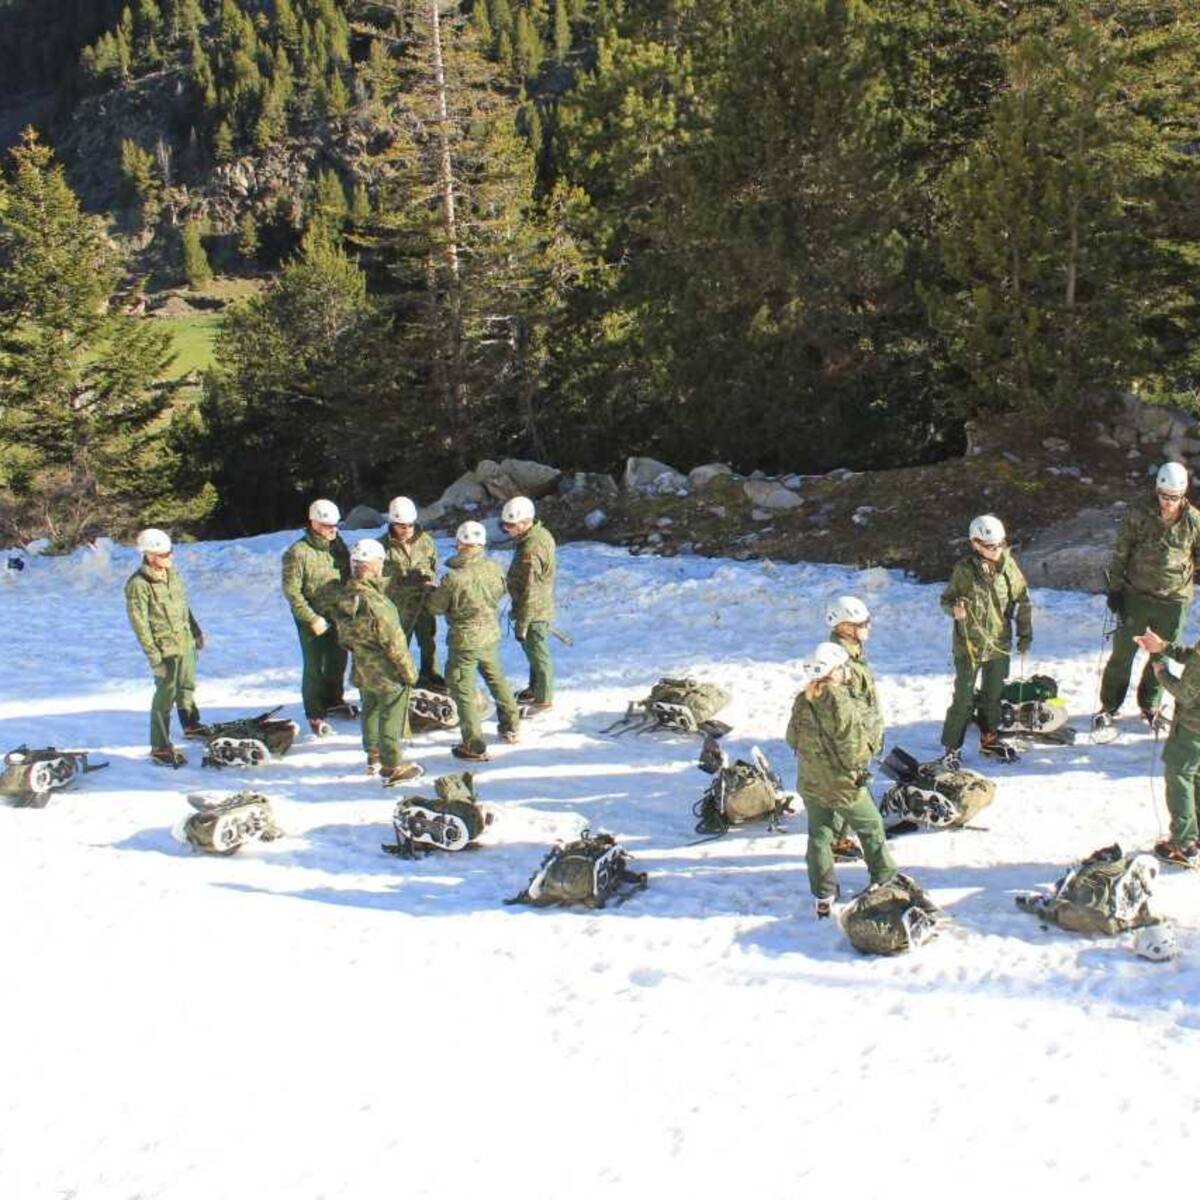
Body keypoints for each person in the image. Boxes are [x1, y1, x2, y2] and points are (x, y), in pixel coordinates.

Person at [786, 641, 898, 917]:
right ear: (833, 671)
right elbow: (853, 747)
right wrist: (861, 766)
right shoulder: (839, 700)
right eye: (842, 667)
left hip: (811, 782)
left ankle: (823, 895)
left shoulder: (803, 698)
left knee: (819, 836)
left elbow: (792, 738)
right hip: (843, 784)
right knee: (871, 826)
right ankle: (884, 878)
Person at [1096, 462, 1200, 731]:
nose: (1167, 503)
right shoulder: (1139, 513)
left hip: (1174, 601)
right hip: (1136, 595)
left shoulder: (1194, 521)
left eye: (1173, 498)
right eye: (1163, 496)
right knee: (1123, 652)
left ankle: (1150, 704)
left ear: (1183, 495)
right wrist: (1116, 588)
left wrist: (1178, 576)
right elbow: (1121, 551)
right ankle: (1109, 705)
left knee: (1161, 656)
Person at [938, 515, 1031, 766]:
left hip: (998, 646)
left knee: (993, 695)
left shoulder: (1009, 568)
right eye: (991, 546)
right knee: (964, 698)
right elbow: (946, 599)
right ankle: (951, 748)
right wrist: (953, 610)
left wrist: (1025, 635)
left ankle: (990, 738)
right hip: (969, 647)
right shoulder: (964, 571)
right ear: (975, 543)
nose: (997, 550)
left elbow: (1022, 602)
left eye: (1000, 544)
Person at [425, 520, 521, 761]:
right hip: (489, 634)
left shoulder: (454, 578)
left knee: (462, 688)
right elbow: (501, 591)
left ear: (459, 544)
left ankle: (473, 742)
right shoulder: (495, 568)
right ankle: (511, 725)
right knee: (496, 678)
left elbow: (435, 608)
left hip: (465, 640)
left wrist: (431, 591)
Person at [334, 538, 422, 784]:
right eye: (380, 562)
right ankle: (392, 765)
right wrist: (408, 672)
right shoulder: (378, 603)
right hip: (386, 671)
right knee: (390, 715)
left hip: (362, 666)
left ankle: (372, 755)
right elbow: (395, 643)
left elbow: (344, 638)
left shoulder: (346, 597)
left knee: (370, 709)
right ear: (373, 565)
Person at [124, 528, 204, 767]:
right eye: (165, 553)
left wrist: (196, 631)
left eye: (171, 552)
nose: (171, 557)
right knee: (164, 698)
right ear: (149, 555)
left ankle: (190, 724)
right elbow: (140, 626)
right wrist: (154, 659)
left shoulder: (173, 573)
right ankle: (159, 746)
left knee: (187, 686)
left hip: (185, 641)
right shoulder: (138, 585)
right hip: (164, 649)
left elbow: (183, 606)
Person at [281, 499, 351, 737]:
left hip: (338, 613)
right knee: (315, 665)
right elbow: (292, 591)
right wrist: (311, 618)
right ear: (313, 523)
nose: (333, 530)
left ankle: (334, 699)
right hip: (312, 617)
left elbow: (347, 576)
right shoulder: (298, 552)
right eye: (326, 525)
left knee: (338, 660)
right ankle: (315, 711)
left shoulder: (338, 545)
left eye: (335, 525)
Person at [1132, 628, 1200, 864]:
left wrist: (1162, 673)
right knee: (1195, 777)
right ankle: (1195, 834)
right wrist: (1163, 647)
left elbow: (1186, 694)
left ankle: (1184, 844)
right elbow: (1193, 656)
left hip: (1193, 730)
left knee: (1179, 778)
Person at [824, 595, 883, 861]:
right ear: (844, 626)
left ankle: (837, 834)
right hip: (849, 737)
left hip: (862, 732)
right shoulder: (835, 659)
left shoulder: (853, 650)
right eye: (862, 622)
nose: (868, 626)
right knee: (846, 786)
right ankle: (834, 841)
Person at [502, 495, 557, 712]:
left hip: (533, 610)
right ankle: (535, 689)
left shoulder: (531, 548)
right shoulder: (535, 536)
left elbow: (531, 589)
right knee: (534, 653)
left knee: (538, 653)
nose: (507, 529)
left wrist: (522, 623)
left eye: (511, 525)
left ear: (525, 523)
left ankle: (544, 697)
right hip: (536, 606)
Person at [382, 496, 441, 687]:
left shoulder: (426, 541)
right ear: (392, 524)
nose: (406, 530)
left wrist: (427, 579)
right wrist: (400, 582)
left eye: (410, 525)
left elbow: (433, 565)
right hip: (398, 607)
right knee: (399, 645)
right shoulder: (383, 547)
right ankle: (400, 679)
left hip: (424, 601)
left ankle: (430, 675)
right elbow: (377, 580)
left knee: (428, 641)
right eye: (401, 526)